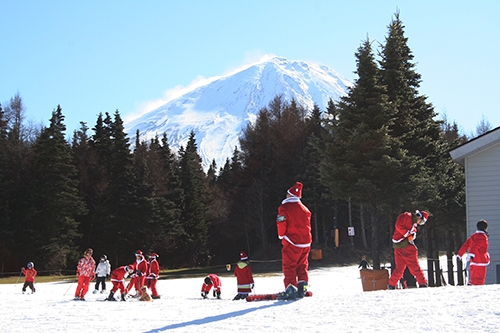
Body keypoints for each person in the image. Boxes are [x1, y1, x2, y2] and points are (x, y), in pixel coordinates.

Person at [276, 181, 312, 300]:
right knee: (302, 265)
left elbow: (281, 223)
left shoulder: (284, 208)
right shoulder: (305, 209)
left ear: (289, 195)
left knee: (289, 265)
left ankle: (291, 289)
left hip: (292, 241)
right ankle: (302, 287)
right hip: (306, 242)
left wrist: (282, 236)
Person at [388, 210, 429, 289]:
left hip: (399, 247)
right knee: (411, 267)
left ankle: (391, 284)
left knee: (400, 269)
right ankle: (422, 283)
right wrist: (407, 233)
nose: (420, 223)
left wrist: (410, 235)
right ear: (419, 216)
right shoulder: (406, 216)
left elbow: (411, 236)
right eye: (422, 222)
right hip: (405, 248)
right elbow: (398, 226)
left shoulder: (414, 227)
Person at [456, 219, 490, 285]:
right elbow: (476, 246)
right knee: (479, 279)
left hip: (473, 261)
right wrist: (472, 253)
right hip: (480, 260)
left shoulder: (473, 236)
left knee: (473, 279)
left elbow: (465, 245)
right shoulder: (483, 237)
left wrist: (460, 254)